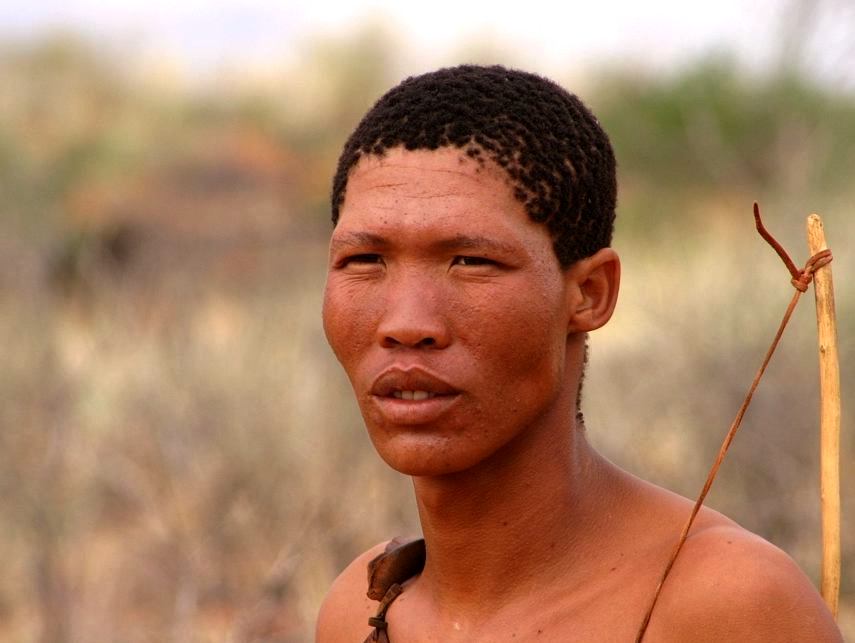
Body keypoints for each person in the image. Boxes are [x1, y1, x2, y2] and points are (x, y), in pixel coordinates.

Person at [315, 65, 842, 642]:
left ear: (590, 294)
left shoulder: (724, 607)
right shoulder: (363, 611)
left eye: (472, 262)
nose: (406, 324)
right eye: (363, 261)